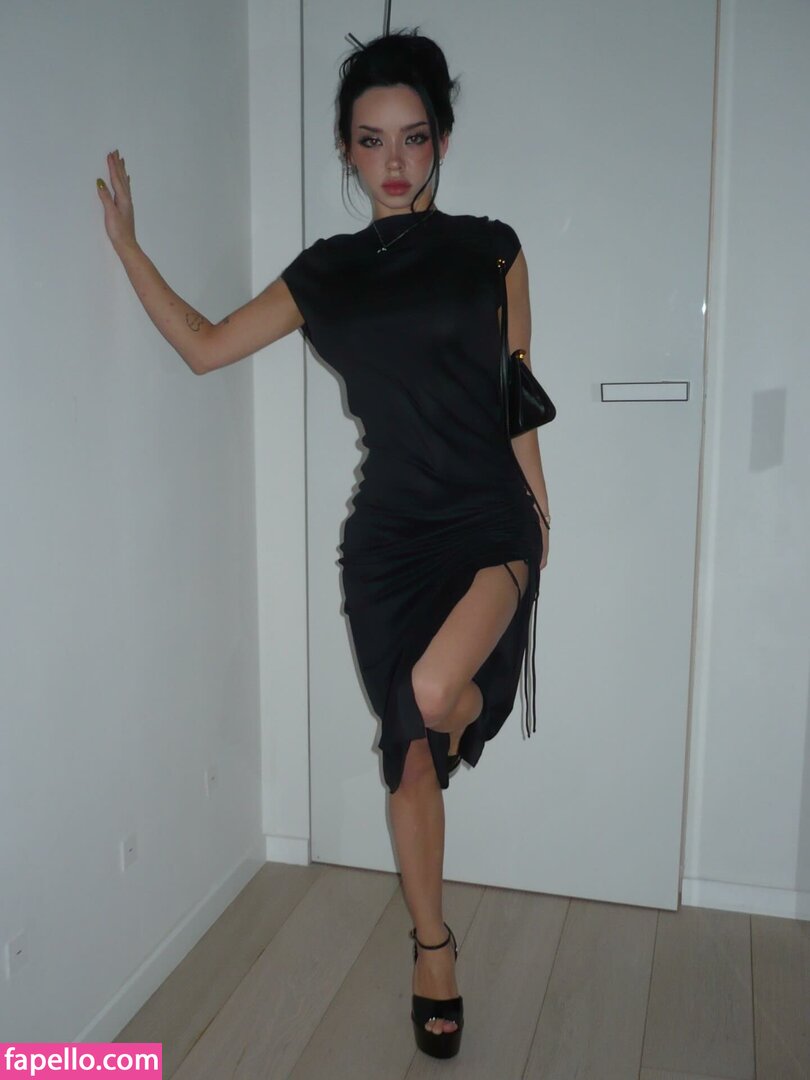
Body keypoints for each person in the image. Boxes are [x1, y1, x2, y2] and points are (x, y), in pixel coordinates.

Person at [96, 26, 550, 1062]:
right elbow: (208, 347)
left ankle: (472, 713)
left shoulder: (494, 249)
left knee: (431, 696)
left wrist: (541, 510)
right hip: (386, 543)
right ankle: (433, 950)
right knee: (409, 757)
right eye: (370, 140)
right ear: (346, 149)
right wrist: (130, 250)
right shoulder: (327, 274)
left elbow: (517, 391)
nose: (393, 161)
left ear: (442, 141)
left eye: (414, 137)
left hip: (490, 520)